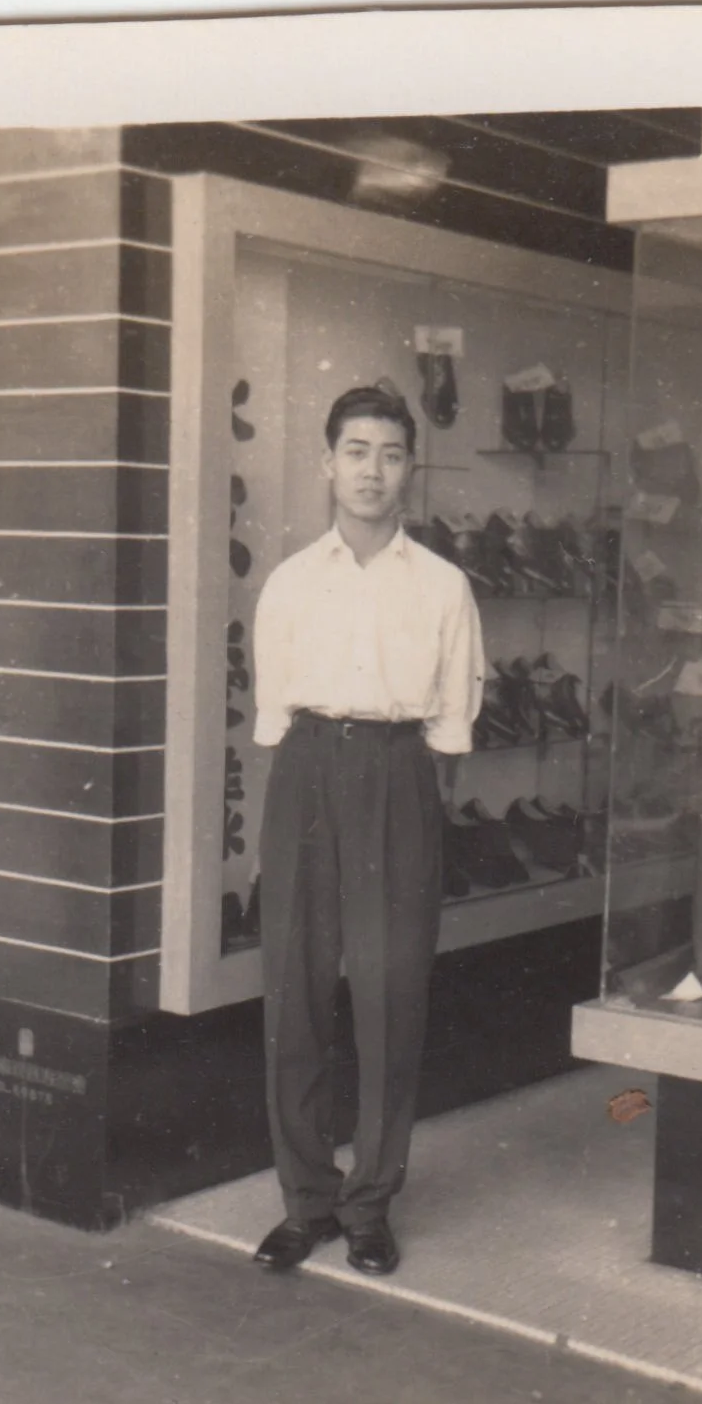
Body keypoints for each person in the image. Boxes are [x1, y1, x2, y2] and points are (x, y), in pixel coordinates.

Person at [249, 384, 485, 1276]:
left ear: (408, 469)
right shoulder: (289, 582)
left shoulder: (442, 586)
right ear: (326, 463)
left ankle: (370, 1204)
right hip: (305, 771)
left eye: (389, 453)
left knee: (390, 998)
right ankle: (304, 1201)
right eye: (355, 451)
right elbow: (274, 713)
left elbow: (451, 729)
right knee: (293, 994)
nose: (371, 471)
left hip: (397, 775)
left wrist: (406, 795)